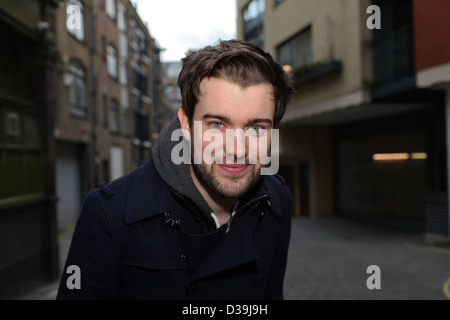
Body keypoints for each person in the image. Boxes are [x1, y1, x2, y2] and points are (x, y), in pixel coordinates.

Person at [57, 39, 294, 300]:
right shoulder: (109, 215)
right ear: (185, 124)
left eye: (256, 128)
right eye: (217, 124)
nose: (236, 149)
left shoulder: (277, 202)